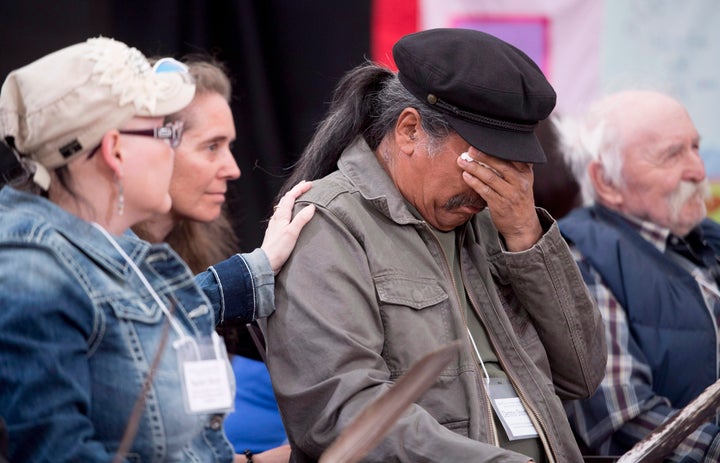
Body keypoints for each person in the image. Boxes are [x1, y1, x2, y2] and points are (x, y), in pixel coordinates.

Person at [263, 28, 607, 463]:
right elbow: (338, 413)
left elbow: (582, 373)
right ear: (409, 131)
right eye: (481, 163)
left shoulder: (495, 221)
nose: (492, 188)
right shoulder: (331, 224)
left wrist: (527, 239)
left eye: (513, 169)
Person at [0, 37, 306, 462]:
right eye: (166, 133)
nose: (173, 151)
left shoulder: (115, 248)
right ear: (115, 150)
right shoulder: (33, 269)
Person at [133, 57, 309, 463]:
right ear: (150, 146)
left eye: (228, 147)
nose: (231, 169)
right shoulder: (96, 260)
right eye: (211, 147)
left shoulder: (192, 244)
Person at [556, 90, 720, 461]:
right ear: (607, 182)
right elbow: (623, 421)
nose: (697, 170)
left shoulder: (705, 240)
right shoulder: (582, 256)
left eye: (695, 148)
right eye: (672, 155)